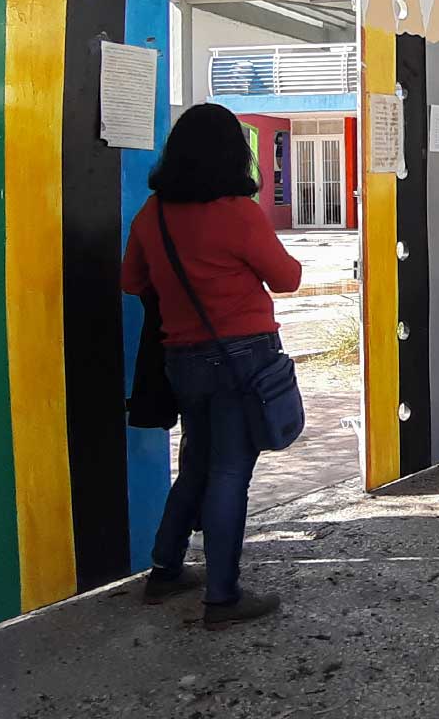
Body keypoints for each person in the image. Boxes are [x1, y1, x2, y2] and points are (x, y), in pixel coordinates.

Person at [121, 103, 303, 629]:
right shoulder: (238, 213)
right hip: (241, 359)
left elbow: (132, 282)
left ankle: (165, 570)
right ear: (233, 154)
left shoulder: (151, 214)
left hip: (181, 360)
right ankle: (222, 597)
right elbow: (286, 277)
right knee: (229, 472)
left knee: (197, 463)